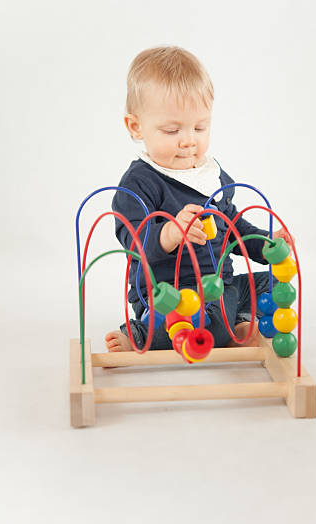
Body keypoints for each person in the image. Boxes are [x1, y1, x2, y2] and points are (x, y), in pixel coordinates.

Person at [105, 46, 293, 353]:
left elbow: (233, 229)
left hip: (220, 287)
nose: (189, 139)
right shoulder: (139, 183)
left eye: (199, 127)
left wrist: (268, 244)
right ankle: (141, 331)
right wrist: (170, 233)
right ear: (136, 127)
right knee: (209, 324)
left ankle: (235, 323)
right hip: (169, 293)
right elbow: (133, 240)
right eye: (172, 129)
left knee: (271, 284)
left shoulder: (211, 176)